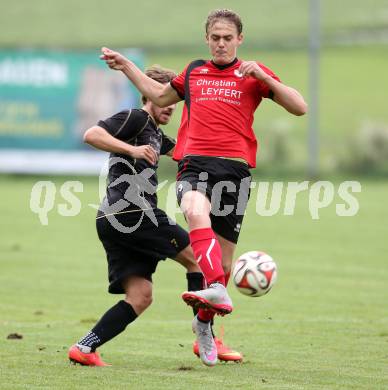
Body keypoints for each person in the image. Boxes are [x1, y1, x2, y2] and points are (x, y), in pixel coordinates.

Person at [100, 9, 307, 366]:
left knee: (224, 263)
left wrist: (267, 79)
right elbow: (159, 96)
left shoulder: (253, 74)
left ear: (240, 39)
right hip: (194, 164)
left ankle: (204, 326)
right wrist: (127, 67)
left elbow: (299, 107)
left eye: (228, 38)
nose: (221, 44)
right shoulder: (195, 71)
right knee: (195, 210)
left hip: (236, 171)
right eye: (215, 38)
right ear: (207, 39)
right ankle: (215, 289)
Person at [68, 65, 204, 366]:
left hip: (113, 219)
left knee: (140, 296)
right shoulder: (137, 117)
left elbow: (187, 151)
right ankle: (205, 337)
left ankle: (84, 347)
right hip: (132, 211)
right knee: (198, 258)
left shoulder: (156, 134)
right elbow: (92, 134)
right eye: (165, 98)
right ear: (148, 94)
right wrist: (132, 150)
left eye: (174, 101)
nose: (170, 106)